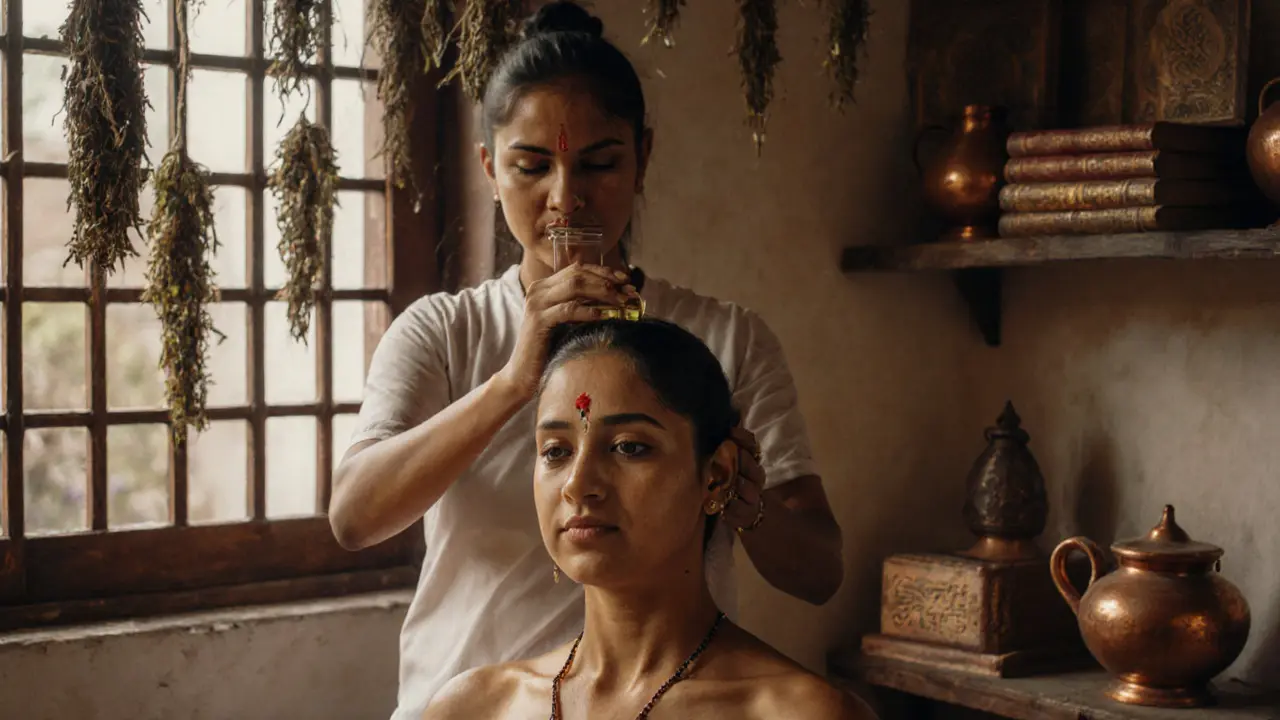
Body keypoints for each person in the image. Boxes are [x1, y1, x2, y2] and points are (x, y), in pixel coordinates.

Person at [329, 3, 843, 718]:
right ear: (489, 168)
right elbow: (354, 517)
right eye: (532, 166)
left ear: (643, 160)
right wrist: (515, 382)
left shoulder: (725, 339)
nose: (566, 199)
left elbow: (819, 572)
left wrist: (739, 496)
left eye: (599, 163)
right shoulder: (444, 332)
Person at [423, 319, 875, 719]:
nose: (578, 485)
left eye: (629, 447)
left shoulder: (803, 713)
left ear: (716, 477)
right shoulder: (475, 708)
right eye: (556, 451)